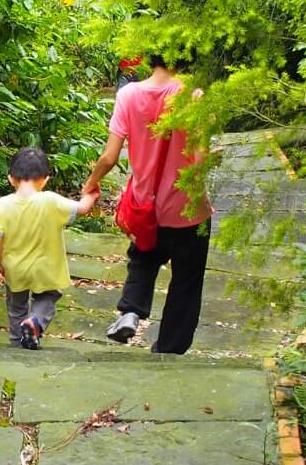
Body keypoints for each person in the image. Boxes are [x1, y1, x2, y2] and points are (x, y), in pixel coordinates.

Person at [82, 54, 212, 354]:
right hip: (187, 209)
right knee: (186, 281)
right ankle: (168, 349)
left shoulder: (127, 95)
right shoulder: (194, 96)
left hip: (146, 205)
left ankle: (130, 310)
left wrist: (91, 182)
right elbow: (200, 159)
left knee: (143, 257)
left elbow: (109, 157)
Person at [0, 146, 97, 349]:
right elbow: (82, 208)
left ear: (11, 178)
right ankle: (36, 321)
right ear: (46, 179)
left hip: (15, 269)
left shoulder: (3, 204)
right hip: (46, 268)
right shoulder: (50, 200)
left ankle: (17, 343)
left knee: (16, 307)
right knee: (48, 296)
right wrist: (91, 193)